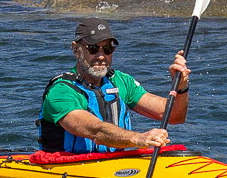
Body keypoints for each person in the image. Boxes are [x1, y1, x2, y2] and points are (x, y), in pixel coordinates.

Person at [39, 17, 189, 152]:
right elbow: (95, 130)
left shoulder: (120, 81)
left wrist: (181, 86)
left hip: (115, 166)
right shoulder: (61, 91)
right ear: (76, 49)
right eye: (93, 49)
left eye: (107, 49)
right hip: (68, 168)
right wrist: (138, 139)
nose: (101, 56)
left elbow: (174, 116)